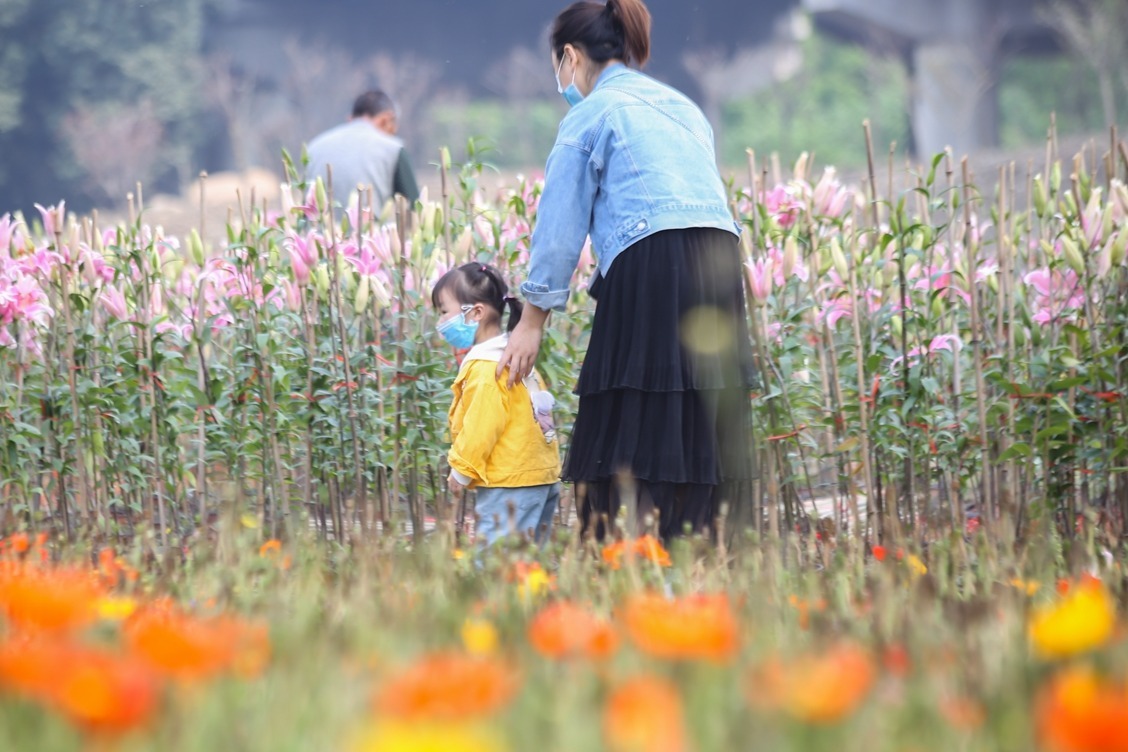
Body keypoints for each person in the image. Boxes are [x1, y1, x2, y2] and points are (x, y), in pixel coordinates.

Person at [497, 0, 756, 542]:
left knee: (633, 402)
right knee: (698, 405)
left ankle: (628, 550)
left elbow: (560, 224)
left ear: (569, 56)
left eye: (558, 63)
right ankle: (702, 547)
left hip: (653, 257)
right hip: (718, 257)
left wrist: (531, 319)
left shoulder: (590, 115)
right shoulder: (682, 106)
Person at [433, 262, 562, 547]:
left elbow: (481, 426)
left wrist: (461, 471)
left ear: (476, 312)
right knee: (527, 568)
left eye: (443, 312)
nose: (440, 322)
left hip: (510, 482)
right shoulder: (514, 356)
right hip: (538, 476)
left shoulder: (486, 367)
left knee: (497, 569)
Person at [305, 90, 420, 210]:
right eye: (393, 130)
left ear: (350, 119)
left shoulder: (314, 146)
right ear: (386, 120)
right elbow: (416, 208)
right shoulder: (393, 149)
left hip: (316, 228)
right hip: (365, 227)